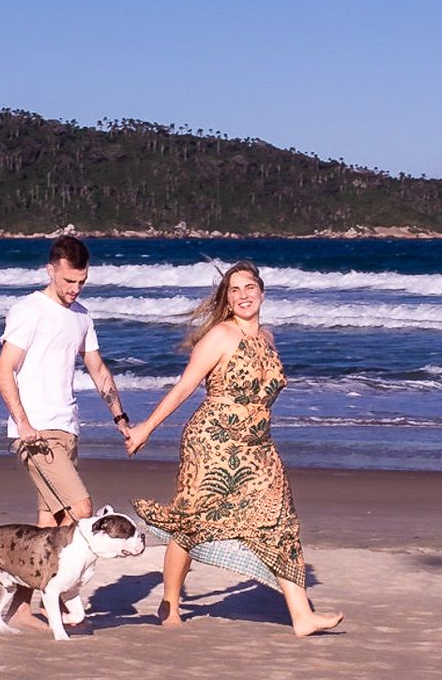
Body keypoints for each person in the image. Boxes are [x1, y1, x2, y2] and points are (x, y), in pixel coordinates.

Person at [125, 261, 342, 637]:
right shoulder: (220, 336)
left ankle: (302, 616)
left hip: (258, 447)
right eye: (235, 290)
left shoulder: (269, 338)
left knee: (281, 522)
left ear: (262, 292)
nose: (243, 296)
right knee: (191, 522)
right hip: (212, 443)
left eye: (249, 288)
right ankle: (170, 604)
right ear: (227, 299)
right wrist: (146, 427)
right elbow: (183, 388)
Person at [0, 235, 129, 529]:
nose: (75, 289)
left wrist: (120, 419)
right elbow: (4, 369)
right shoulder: (29, 310)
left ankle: (37, 576)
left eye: (81, 282)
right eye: (69, 281)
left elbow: (98, 370)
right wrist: (23, 423)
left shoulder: (82, 316)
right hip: (37, 431)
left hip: (68, 427)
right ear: (51, 270)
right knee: (80, 509)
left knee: (51, 518)